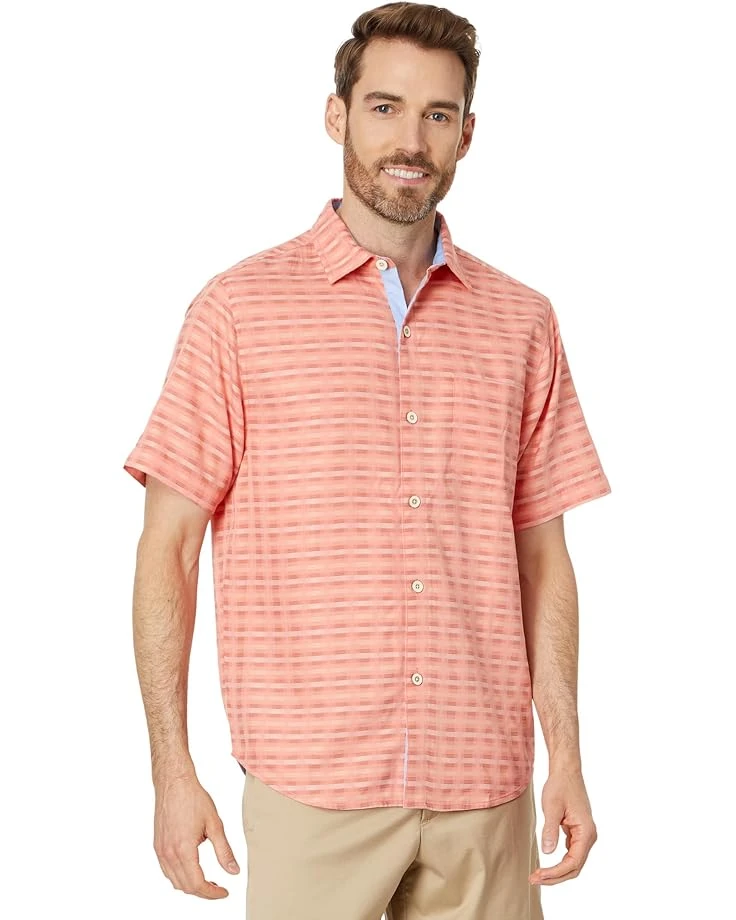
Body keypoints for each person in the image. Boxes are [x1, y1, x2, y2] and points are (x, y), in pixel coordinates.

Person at [123, 3, 612, 917]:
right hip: (312, 786)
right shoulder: (237, 313)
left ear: (467, 134)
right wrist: (170, 771)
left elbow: (543, 558)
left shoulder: (523, 322)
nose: (411, 141)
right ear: (336, 115)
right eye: (385, 107)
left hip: (484, 785)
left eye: (437, 115)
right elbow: (168, 550)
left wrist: (570, 756)